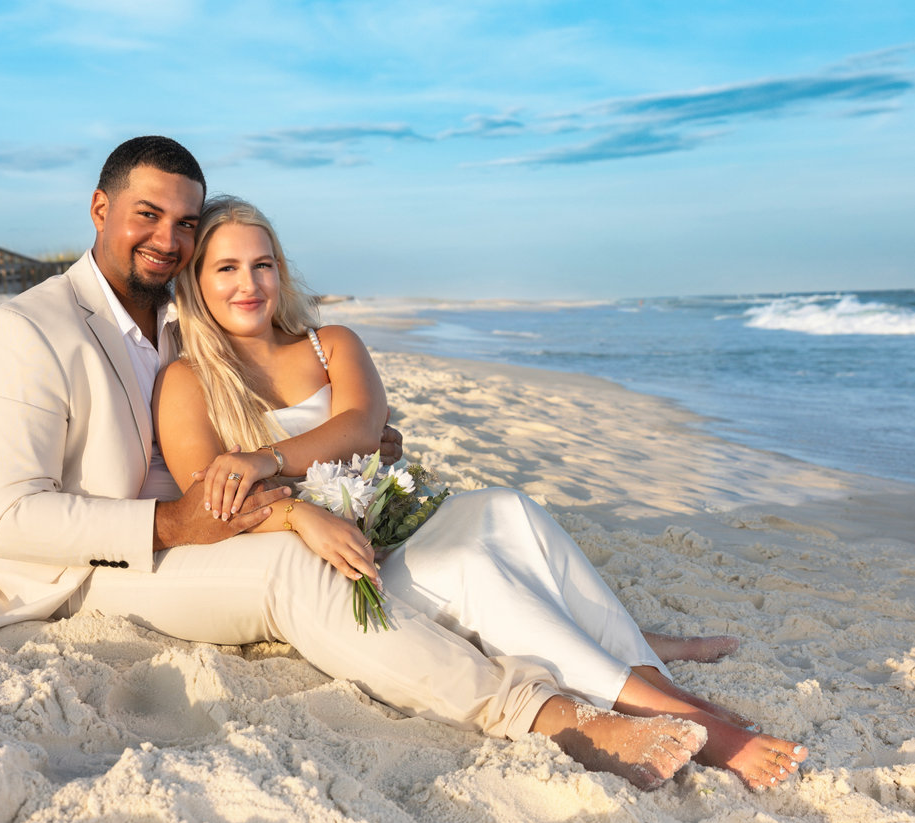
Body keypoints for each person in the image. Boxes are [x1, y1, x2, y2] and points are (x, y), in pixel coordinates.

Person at [151, 194, 809, 792]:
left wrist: (263, 458)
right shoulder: (189, 381)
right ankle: (679, 712)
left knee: (507, 507)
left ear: (280, 271)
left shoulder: (329, 344)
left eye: (261, 265)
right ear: (196, 281)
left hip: (399, 514)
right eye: (226, 268)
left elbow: (361, 423)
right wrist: (297, 512)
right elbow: (216, 506)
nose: (249, 283)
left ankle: (652, 675)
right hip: (343, 564)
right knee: (472, 570)